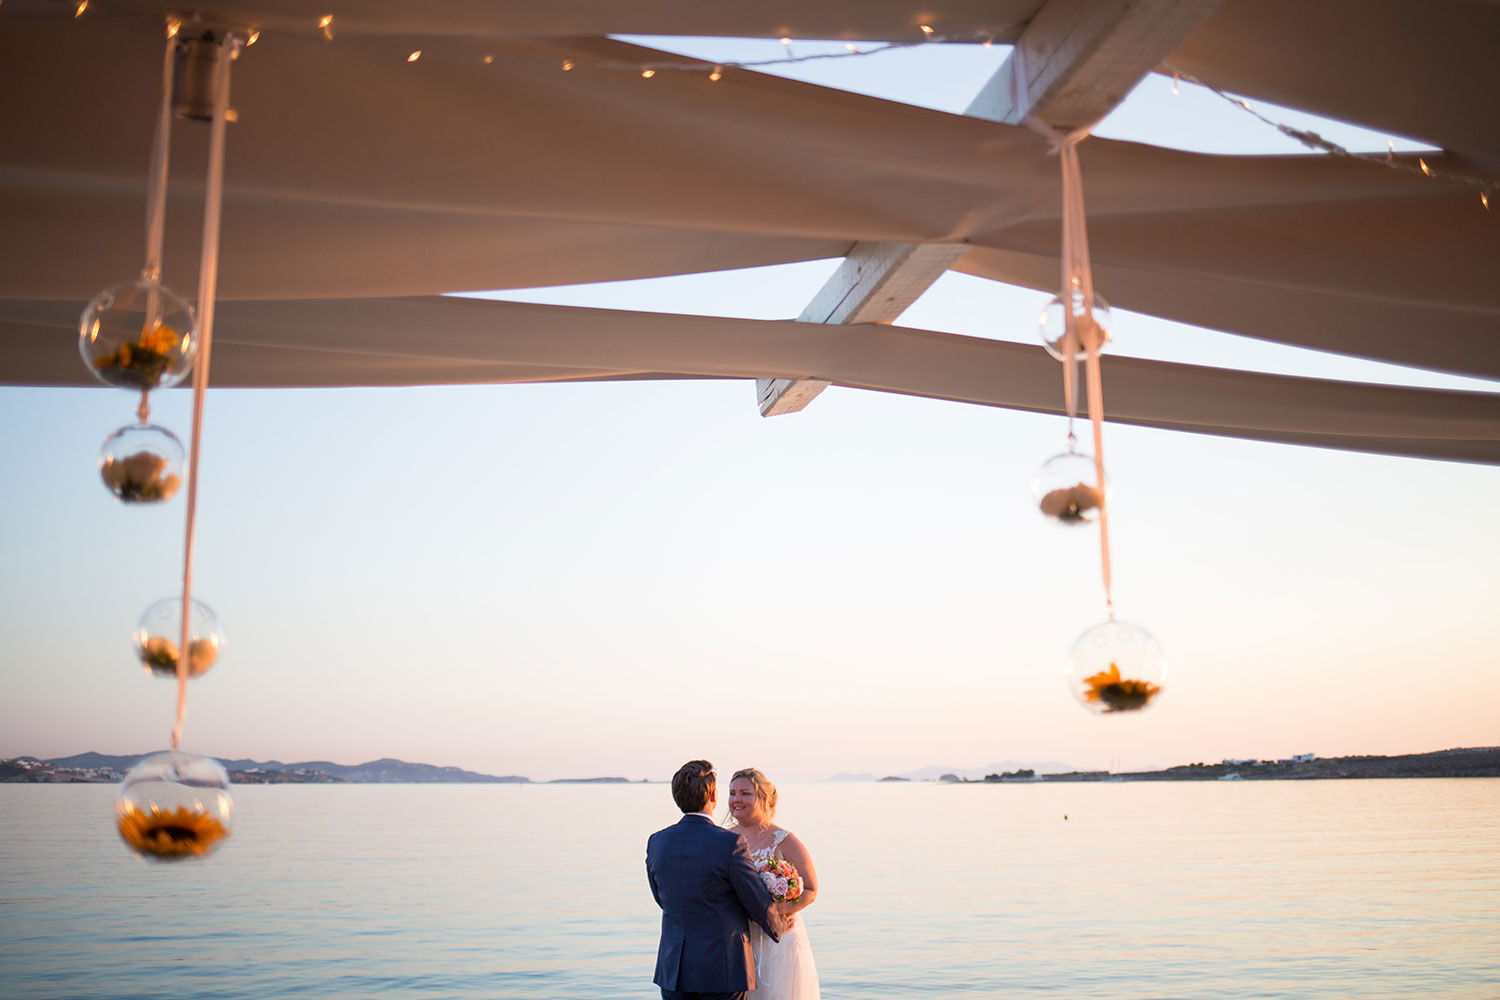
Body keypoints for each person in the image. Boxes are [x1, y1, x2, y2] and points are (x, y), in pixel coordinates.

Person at [647, 760, 788, 1000]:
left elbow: (661, 898)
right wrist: (779, 925)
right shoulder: (729, 843)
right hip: (722, 969)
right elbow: (755, 900)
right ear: (713, 795)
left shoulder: (657, 842)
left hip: (674, 970)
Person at [726, 768, 820, 1000]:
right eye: (732, 792)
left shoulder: (784, 839)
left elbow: (811, 888)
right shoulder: (722, 838)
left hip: (779, 938)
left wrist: (778, 911)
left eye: (745, 793)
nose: (737, 799)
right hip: (738, 938)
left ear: (764, 798)